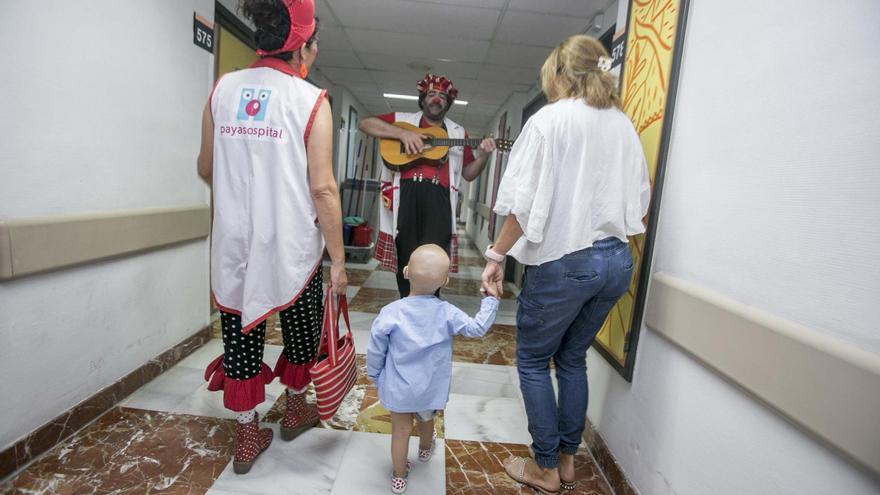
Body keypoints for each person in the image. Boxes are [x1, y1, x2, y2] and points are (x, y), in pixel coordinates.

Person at [480, 35, 651, 493]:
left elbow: (521, 203)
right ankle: (568, 461)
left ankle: (544, 469)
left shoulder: (549, 121)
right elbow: (640, 200)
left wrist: (496, 256)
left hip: (566, 262)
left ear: (560, 74)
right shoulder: (623, 125)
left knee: (534, 361)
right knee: (572, 359)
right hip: (617, 260)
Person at [196, 0, 346, 475]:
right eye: (314, 43)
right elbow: (322, 188)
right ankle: (297, 408)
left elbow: (206, 167)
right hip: (293, 245)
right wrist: (339, 260)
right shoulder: (310, 100)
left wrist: (245, 201)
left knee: (241, 332)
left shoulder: (223, 90)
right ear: (301, 45)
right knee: (301, 327)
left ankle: (246, 435)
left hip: (235, 243)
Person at [367, 244, 499, 494]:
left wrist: (374, 373)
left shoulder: (390, 313)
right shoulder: (447, 312)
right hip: (429, 387)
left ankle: (399, 475)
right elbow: (476, 329)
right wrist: (490, 300)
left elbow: (376, 349)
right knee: (426, 421)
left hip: (398, 387)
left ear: (405, 272)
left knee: (400, 430)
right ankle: (425, 449)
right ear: (446, 281)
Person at [358, 75, 496, 297]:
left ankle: (431, 306)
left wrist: (484, 157)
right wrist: (402, 133)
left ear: (448, 103)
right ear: (422, 99)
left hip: (440, 200)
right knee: (407, 256)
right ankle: (406, 302)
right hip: (407, 195)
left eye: (442, 96)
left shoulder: (458, 133)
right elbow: (364, 123)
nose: (436, 99)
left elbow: (469, 173)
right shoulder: (402, 119)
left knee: (435, 260)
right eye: (431, 94)